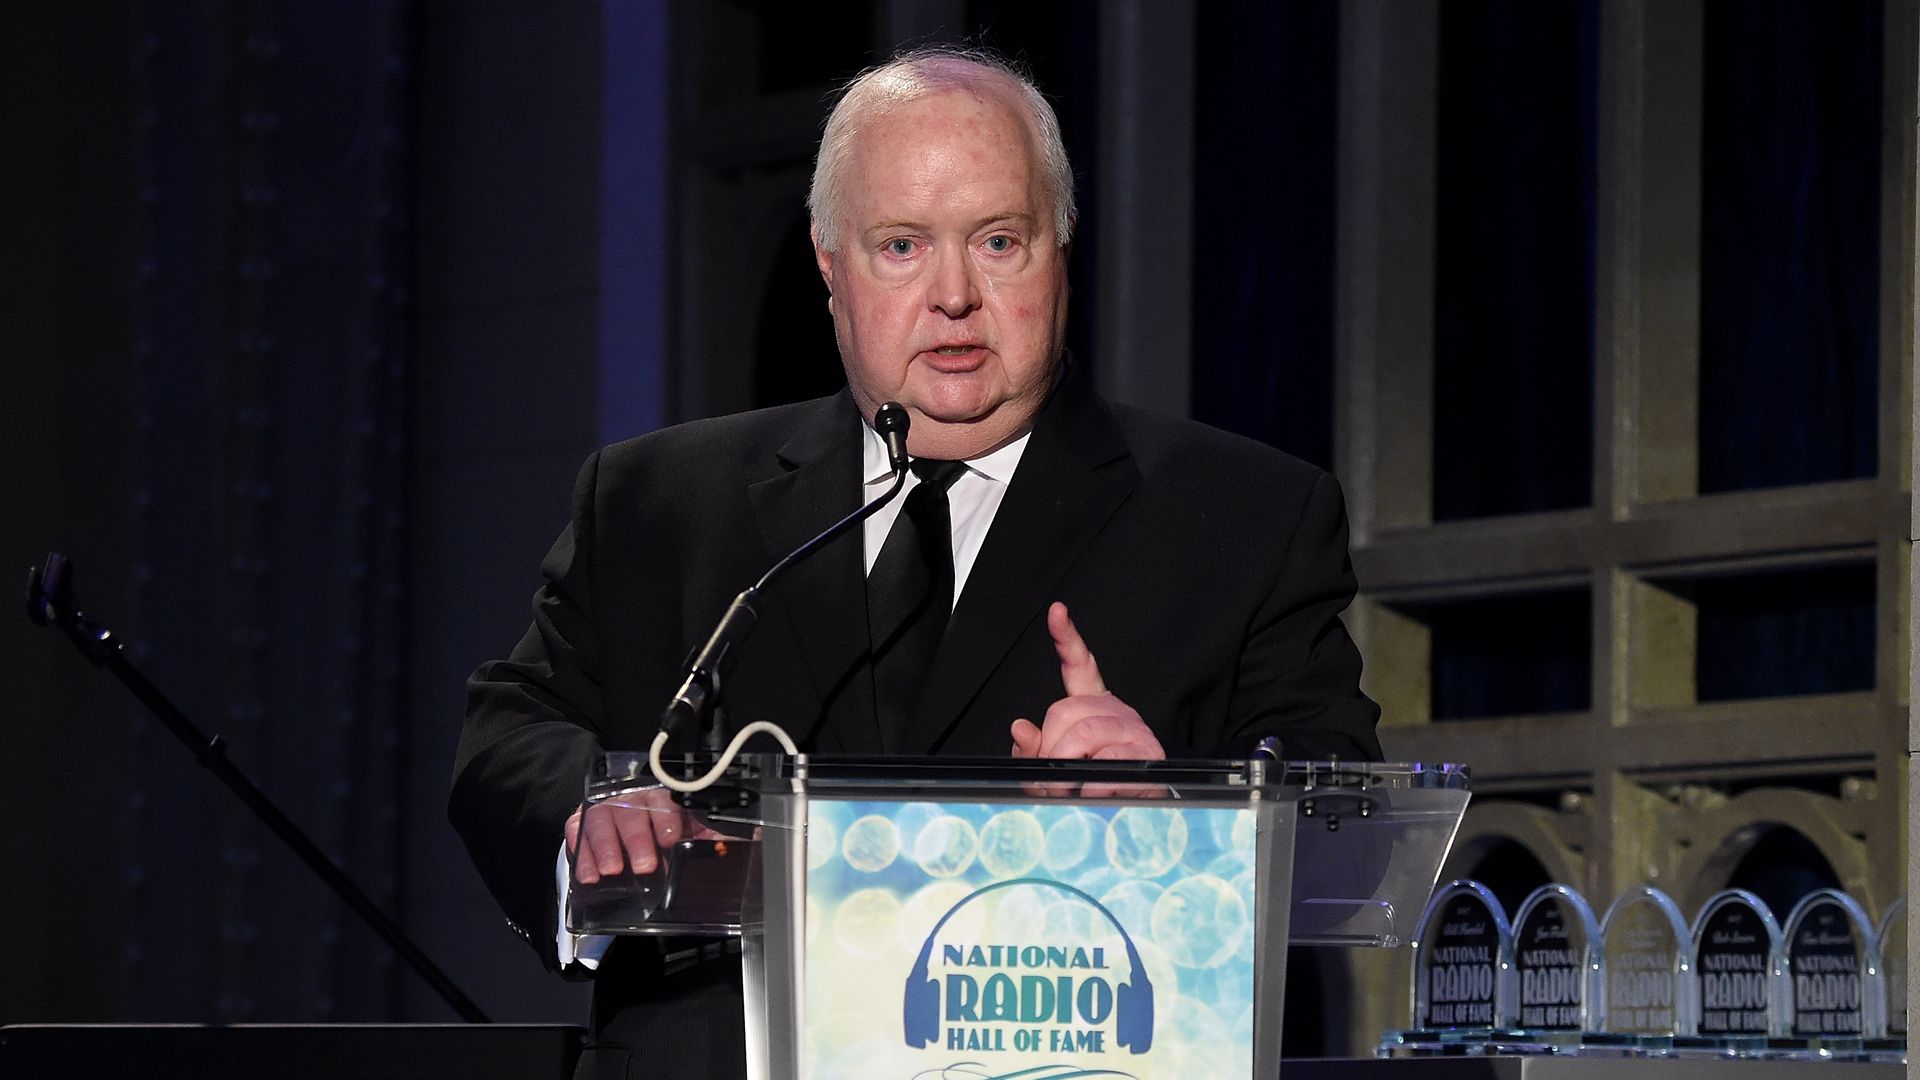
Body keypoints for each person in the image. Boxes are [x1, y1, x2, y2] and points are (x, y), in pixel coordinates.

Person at [452, 47, 1381, 1080]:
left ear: (1059, 249)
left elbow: (1345, 808)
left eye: (997, 241)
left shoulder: (1237, 515)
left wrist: (1185, 803)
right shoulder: (660, 504)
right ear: (828, 262)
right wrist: (592, 807)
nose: (953, 296)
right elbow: (509, 733)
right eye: (901, 245)